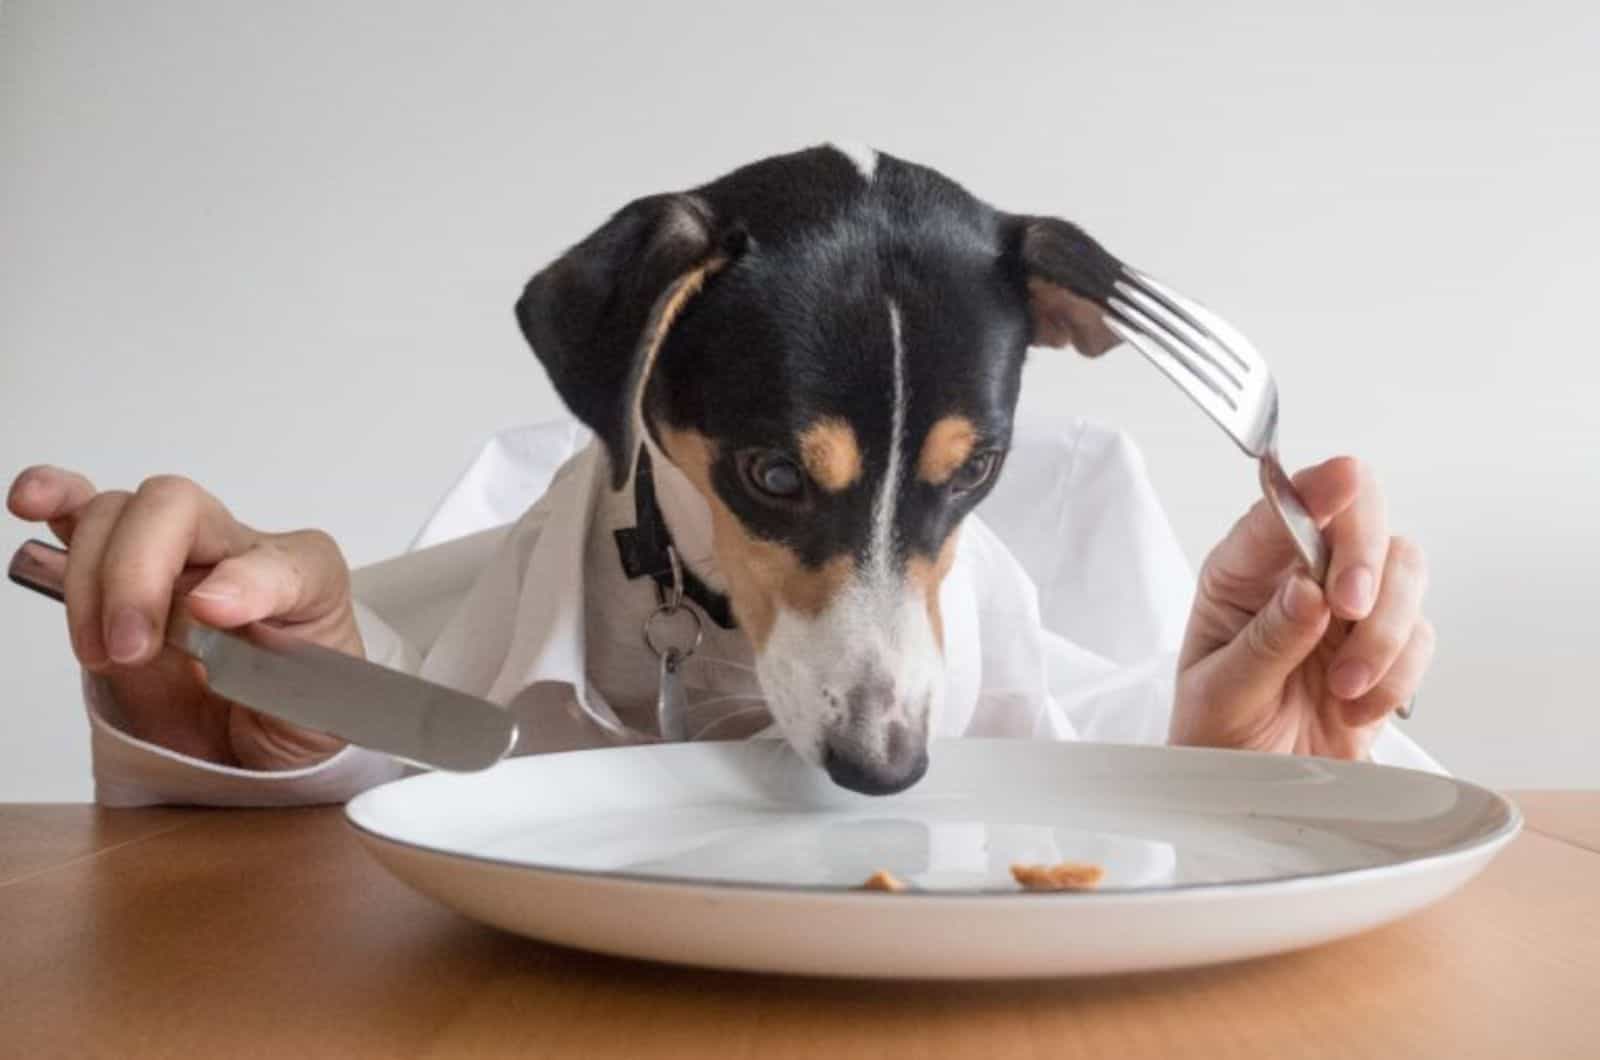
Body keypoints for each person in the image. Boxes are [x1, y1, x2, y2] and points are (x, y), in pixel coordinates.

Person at [6, 414, 1435, 808]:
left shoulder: (1074, 661)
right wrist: (270, 740)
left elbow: (1135, 780)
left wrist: (1253, 800)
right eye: (773, 480)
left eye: (947, 490)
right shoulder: (429, 651)